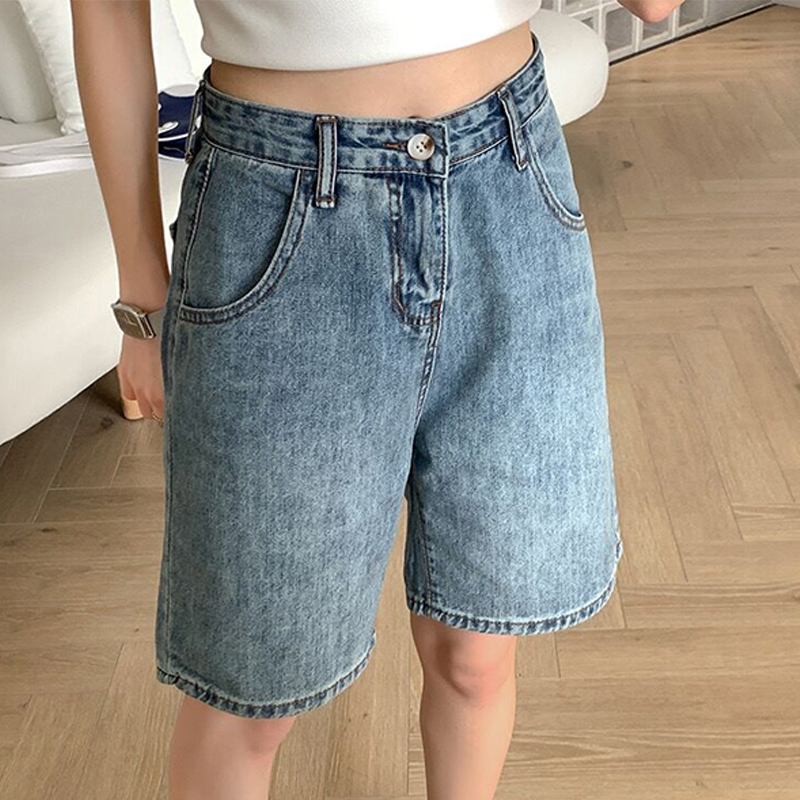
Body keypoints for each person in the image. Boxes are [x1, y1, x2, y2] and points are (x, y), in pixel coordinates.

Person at [72, 1, 682, 798]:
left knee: (477, 653)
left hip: (509, 174)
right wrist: (142, 304)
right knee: (249, 695)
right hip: (280, 203)